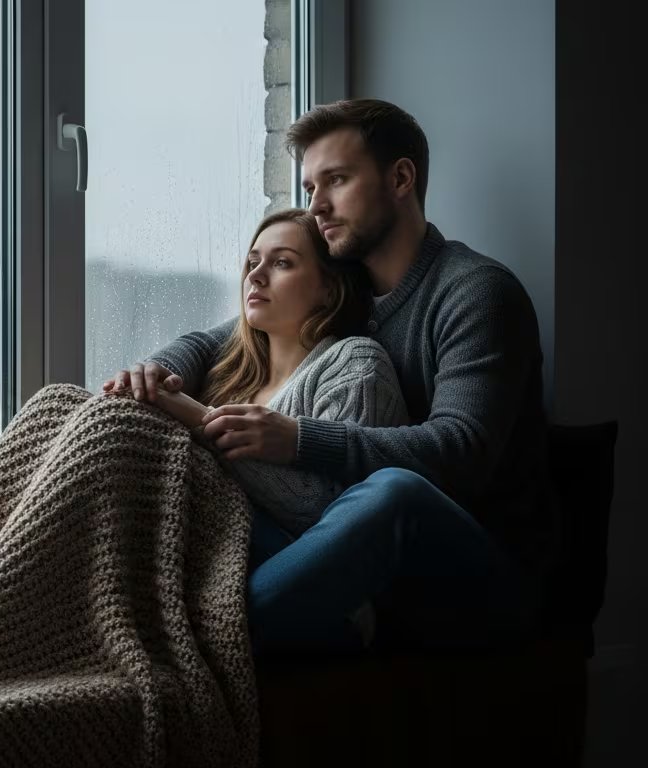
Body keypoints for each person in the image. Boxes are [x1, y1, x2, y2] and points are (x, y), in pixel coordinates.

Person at [107, 99, 553, 655]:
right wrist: (158, 373)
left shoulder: (474, 292)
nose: (316, 205)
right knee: (190, 479)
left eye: (336, 181)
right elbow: (215, 340)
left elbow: (461, 452)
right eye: (310, 187)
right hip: (352, 556)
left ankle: (210, 642)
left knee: (393, 494)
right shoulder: (349, 292)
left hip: (482, 574)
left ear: (400, 178)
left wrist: (297, 439)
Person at [109, 207, 407, 545]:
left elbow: (328, 513)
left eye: (282, 262)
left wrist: (198, 417)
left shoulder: (355, 362)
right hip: (203, 549)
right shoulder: (229, 372)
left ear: (330, 288)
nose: (256, 276)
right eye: (253, 263)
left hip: (293, 562)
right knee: (70, 403)